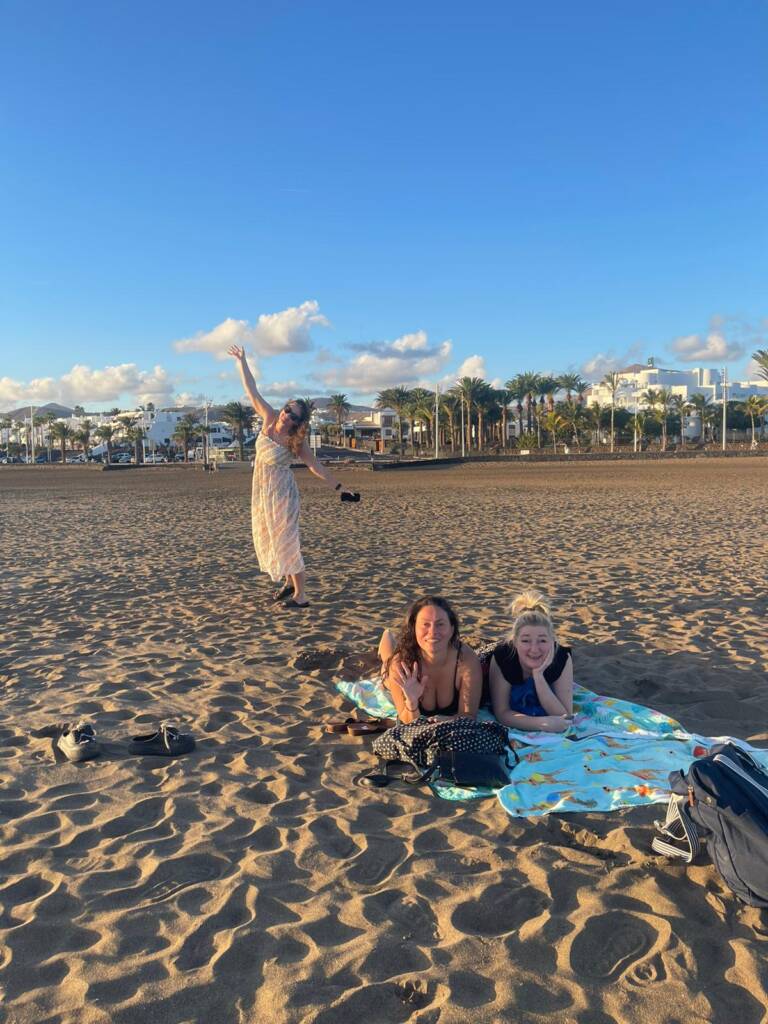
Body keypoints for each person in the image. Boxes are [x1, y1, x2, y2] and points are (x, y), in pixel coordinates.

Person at [228, 344, 358, 608]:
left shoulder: (296, 441)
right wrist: (242, 361)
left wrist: (340, 487)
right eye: (287, 410)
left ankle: (301, 595)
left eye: (293, 417)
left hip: (283, 495)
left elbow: (315, 466)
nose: (287, 417)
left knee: (287, 541)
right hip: (262, 492)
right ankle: (289, 583)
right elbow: (251, 390)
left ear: (298, 423)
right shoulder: (268, 418)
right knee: (272, 538)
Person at [378, 596, 482, 723]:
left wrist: (448, 720)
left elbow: (469, 715)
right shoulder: (400, 665)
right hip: (399, 664)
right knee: (387, 664)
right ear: (413, 629)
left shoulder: (466, 659)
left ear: (452, 629)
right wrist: (411, 702)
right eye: (425, 624)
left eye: (440, 624)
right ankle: (387, 635)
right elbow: (406, 721)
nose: (433, 632)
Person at [489, 591, 574, 733]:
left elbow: (565, 717)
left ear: (552, 641)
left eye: (542, 640)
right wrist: (540, 723)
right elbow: (502, 712)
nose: (534, 649)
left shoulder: (561, 657)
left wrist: (539, 676)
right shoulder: (503, 656)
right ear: (515, 642)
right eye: (526, 641)